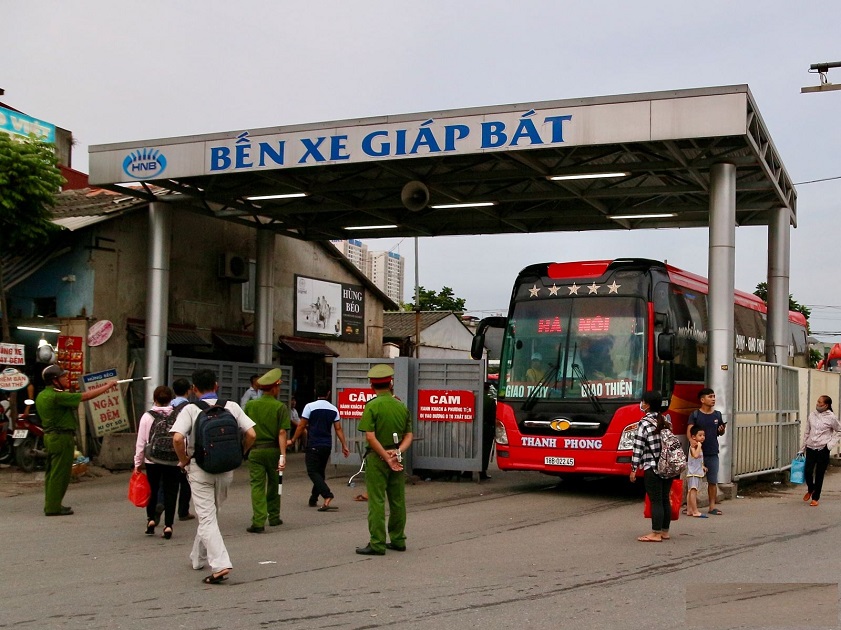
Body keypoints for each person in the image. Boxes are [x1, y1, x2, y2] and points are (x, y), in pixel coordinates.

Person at [171, 369, 256, 584]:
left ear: (194, 390)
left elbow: (178, 439)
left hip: (200, 469)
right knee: (211, 514)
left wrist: (183, 460)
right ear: (216, 386)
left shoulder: (190, 409)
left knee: (207, 517)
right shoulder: (232, 406)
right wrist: (241, 453)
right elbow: (252, 434)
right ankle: (198, 557)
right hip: (226, 469)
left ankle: (220, 565)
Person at [37, 364, 117, 516]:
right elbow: (85, 396)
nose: (66, 379)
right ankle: (53, 507)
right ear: (54, 381)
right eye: (63, 377)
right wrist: (107, 386)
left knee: (52, 472)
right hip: (61, 437)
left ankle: (52, 503)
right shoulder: (57, 396)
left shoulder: (43, 395)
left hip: (50, 437)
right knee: (60, 473)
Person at [355, 364, 413, 555]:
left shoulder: (371, 406)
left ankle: (378, 543)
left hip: (377, 458)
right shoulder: (401, 406)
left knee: (377, 501)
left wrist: (384, 456)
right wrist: (396, 453)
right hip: (397, 457)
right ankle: (398, 539)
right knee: (397, 500)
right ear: (391, 384)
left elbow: (370, 437)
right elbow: (409, 436)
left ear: (372, 386)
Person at [242, 368, 290, 532]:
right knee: (275, 483)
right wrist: (283, 455)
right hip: (273, 451)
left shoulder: (250, 405)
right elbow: (282, 432)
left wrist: (246, 449)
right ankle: (274, 517)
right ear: (275, 388)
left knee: (257, 485)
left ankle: (258, 521)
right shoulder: (280, 407)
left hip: (255, 450)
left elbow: (247, 430)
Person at [291, 379, 349, 510]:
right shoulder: (333, 409)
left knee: (312, 471)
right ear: (328, 393)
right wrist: (344, 445)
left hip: (313, 444)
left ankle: (327, 494)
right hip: (326, 445)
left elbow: (301, 425)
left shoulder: (310, 407)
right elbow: (338, 429)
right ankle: (313, 498)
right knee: (320, 472)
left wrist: (293, 439)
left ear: (315, 392)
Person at [134, 385, 181, 539]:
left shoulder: (147, 416)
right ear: (171, 399)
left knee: (152, 490)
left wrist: (137, 463)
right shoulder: (178, 415)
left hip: (152, 459)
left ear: (154, 399)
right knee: (171, 491)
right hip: (173, 459)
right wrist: (184, 459)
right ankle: (168, 525)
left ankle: (151, 520)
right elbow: (183, 439)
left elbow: (141, 442)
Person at [629, 390, 673, 542]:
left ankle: (655, 533)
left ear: (646, 405)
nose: (641, 404)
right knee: (665, 498)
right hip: (668, 466)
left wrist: (634, 468)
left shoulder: (645, 423)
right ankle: (664, 531)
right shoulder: (666, 420)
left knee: (656, 500)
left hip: (652, 467)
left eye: (642, 401)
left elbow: (638, 447)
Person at [686, 387, 726, 515]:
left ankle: (712, 506)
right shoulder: (695, 415)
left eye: (714, 396)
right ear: (702, 400)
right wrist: (691, 442)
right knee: (693, 482)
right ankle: (691, 507)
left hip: (712, 451)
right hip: (697, 455)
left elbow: (721, 431)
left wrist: (721, 430)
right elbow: (690, 430)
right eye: (710, 396)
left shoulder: (717, 415)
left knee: (712, 481)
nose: (713, 399)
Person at [800, 395, 841, 507]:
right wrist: (802, 448)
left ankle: (815, 497)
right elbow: (807, 432)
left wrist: (830, 445)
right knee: (808, 471)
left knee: (819, 473)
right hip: (811, 447)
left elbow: (839, 430)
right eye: (817, 402)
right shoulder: (812, 415)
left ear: (826, 405)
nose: (817, 404)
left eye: (820, 403)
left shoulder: (832, 417)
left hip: (823, 449)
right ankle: (811, 488)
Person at [170, 378, 195, 521]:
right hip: (183, 447)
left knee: (167, 481)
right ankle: (183, 511)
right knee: (185, 482)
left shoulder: (168, 405)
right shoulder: (190, 408)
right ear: (189, 391)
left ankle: (160, 506)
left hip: (166, 448)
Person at [685, 425, 708, 518]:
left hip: (697, 471)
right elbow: (695, 455)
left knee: (691, 491)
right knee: (693, 491)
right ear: (694, 437)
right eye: (700, 435)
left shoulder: (698, 446)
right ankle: (695, 511)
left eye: (703, 435)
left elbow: (698, 459)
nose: (702, 437)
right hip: (693, 473)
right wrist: (699, 446)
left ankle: (689, 510)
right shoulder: (693, 447)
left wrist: (702, 466)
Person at [480, 381, 496, 480]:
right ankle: (482, 471)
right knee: (485, 451)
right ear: (488, 389)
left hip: (473, 428)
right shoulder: (490, 401)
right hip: (486, 428)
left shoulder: (474, 397)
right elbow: (492, 418)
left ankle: (467, 471)